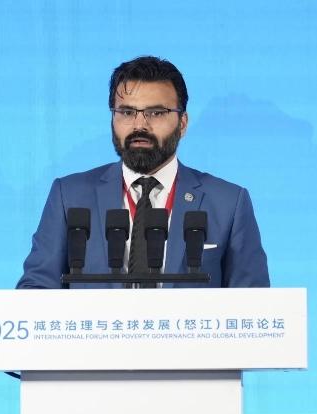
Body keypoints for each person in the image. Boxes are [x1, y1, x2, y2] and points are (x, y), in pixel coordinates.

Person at [17, 56, 269, 289]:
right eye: (127, 112)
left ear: (182, 123)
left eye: (156, 113)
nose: (139, 125)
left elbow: (255, 304)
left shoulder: (228, 203)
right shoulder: (69, 196)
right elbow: (35, 291)